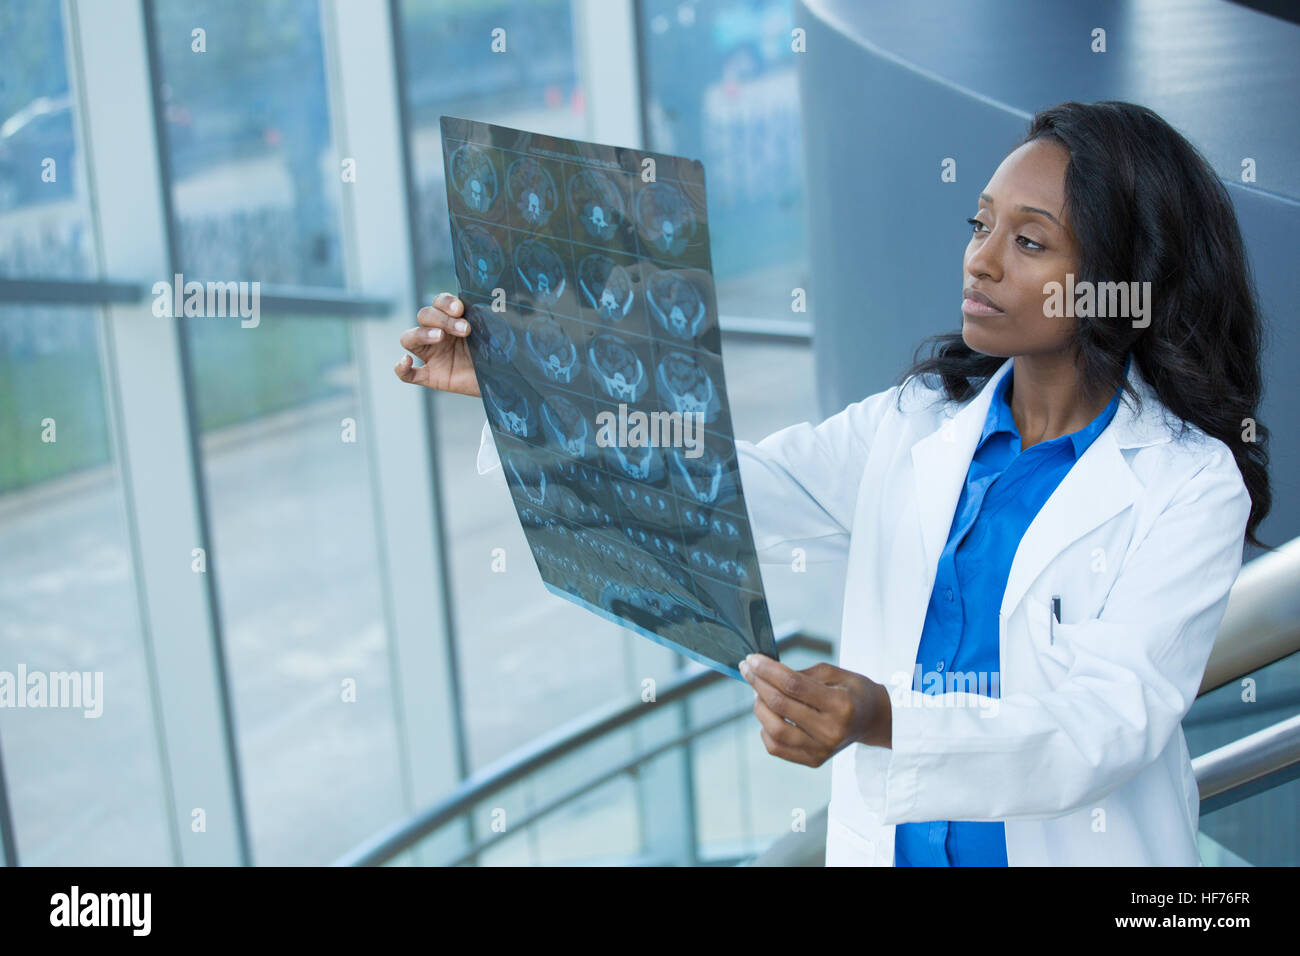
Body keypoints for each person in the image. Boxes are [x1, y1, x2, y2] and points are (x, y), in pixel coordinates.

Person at [395, 101, 1271, 866]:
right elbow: (724, 487)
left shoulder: (1190, 486)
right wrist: (523, 388)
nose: (981, 260)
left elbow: (1104, 729)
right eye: (980, 225)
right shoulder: (919, 418)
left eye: (1030, 241)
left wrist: (881, 715)